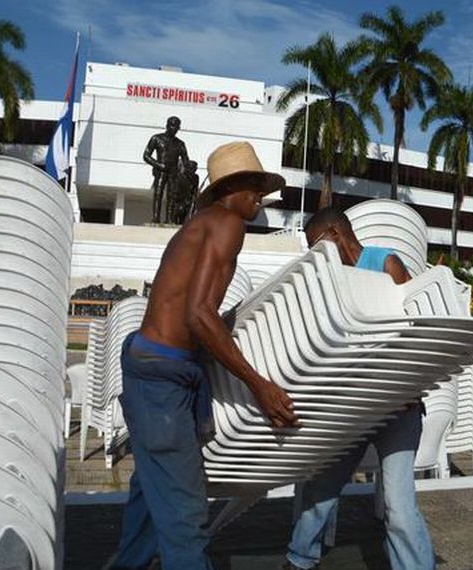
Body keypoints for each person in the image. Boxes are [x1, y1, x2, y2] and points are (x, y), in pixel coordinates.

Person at [110, 141, 300, 570]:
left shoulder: (200, 224)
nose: (258, 197)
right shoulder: (228, 224)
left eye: (260, 188)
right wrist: (261, 387)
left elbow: (191, 310)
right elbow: (198, 314)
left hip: (151, 363)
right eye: (251, 187)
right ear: (227, 190)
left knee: (149, 495)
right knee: (185, 513)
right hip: (162, 376)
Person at [283, 207, 435, 570]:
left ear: (336, 234)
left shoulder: (386, 264)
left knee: (398, 504)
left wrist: (405, 387)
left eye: (315, 246)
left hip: (399, 408)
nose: (314, 255)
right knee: (322, 487)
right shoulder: (332, 279)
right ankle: (300, 558)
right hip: (354, 406)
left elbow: (417, 331)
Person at [143, 116, 190, 224]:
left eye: (176, 126)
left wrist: (188, 167)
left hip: (173, 173)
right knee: (158, 194)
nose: (174, 128)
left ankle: (169, 219)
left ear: (179, 128)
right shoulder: (156, 138)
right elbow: (146, 156)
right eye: (172, 125)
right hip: (161, 171)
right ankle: (156, 218)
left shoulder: (180, 144)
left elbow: (185, 160)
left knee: (172, 196)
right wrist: (158, 165)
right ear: (167, 125)